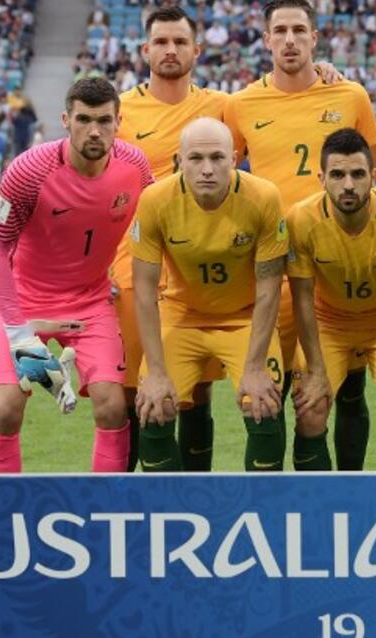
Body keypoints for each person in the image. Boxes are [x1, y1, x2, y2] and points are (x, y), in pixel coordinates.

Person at [223, 0, 376, 470]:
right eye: (279, 31)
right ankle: (282, 496)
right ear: (265, 39)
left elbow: (373, 168)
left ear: (315, 38)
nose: (289, 40)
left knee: (349, 386)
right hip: (275, 268)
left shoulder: (350, 96)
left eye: (299, 30)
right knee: (278, 390)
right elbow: (223, 178)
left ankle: (347, 488)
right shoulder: (240, 105)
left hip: (339, 258)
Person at [0, 77, 153, 473]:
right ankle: (0, 511)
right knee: (5, 408)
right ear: (65, 120)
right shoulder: (28, 170)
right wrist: (19, 332)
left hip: (91, 302)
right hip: (24, 303)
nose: (95, 130)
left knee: (112, 405)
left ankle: (107, 513)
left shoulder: (135, 167)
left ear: (118, 121)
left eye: (105, 120)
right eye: (84, 119)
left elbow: (153, 226)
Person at [130, 118, 288, 472]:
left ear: (234, 158)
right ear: (179, 160)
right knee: (154, 408)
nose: (206, 169)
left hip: (245, 317)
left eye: (217, 158)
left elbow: (269, 287)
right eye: (196, 158)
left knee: (262, 403)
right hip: (182, 316)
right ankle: (173, 514)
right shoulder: (155, 201)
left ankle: (262, 510)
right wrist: (155, 372)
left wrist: (255, 367)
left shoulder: (263, 196)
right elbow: (143, 290)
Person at [113, 6, 230, 472]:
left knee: (197, 390)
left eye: (180, 42)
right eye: (160, 42)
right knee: (129, 391)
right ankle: (127, 501)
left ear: (196, 51)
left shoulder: (222, 107)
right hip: (129, 269)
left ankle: (193, 496)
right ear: (145, 50)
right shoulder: (119, 112)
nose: (170, 50)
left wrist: (322, 71)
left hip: (195, 273)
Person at [286, 129, 376, 470]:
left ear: (373, 177)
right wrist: (316, 370)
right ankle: (318, 509)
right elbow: (301, 297)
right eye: (337, 175)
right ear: (321, 178)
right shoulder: (300, 220)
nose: (348, 185)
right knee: (310, 412)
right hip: (328, 325)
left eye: (358, 174)